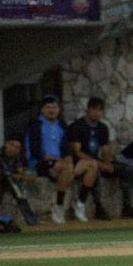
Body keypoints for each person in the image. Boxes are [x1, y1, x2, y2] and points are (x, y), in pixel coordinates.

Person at [25, 95, 97, 224]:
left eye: (54, 107)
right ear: (42, 110)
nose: (52, 110)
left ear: (58, 109)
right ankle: (58, 207)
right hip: (41, 162)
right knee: (66, 167)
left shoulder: (61, 125)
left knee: (91, 164)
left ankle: (80, 205)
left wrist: (68, 159)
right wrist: (59, 161)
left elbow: (66, 148)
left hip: (60, 163)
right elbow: (35, 150)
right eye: (48, 107)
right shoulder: (36, 125)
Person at [67, 96, 128, 220]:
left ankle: (127, 206)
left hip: (96, 160)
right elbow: (77, 152)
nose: (97, 112)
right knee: (94, 170)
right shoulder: (77, 126)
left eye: (100, 110)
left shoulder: (103, 128)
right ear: (88, 110)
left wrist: (108, 162)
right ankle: (98, 207)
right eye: (94, 109)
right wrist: (100, 164)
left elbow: (105, 149)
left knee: (124, 169)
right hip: (80, 162)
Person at [0, 133, 38, 225]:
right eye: (13, 146)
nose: (14, 149)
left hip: (10, 180)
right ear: (7, 144)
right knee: (14, 185)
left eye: (18, 147)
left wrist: (25, 175)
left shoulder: (16, 156)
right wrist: (13, 175)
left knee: (18, 188)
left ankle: (31, 220)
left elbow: (20, 170)